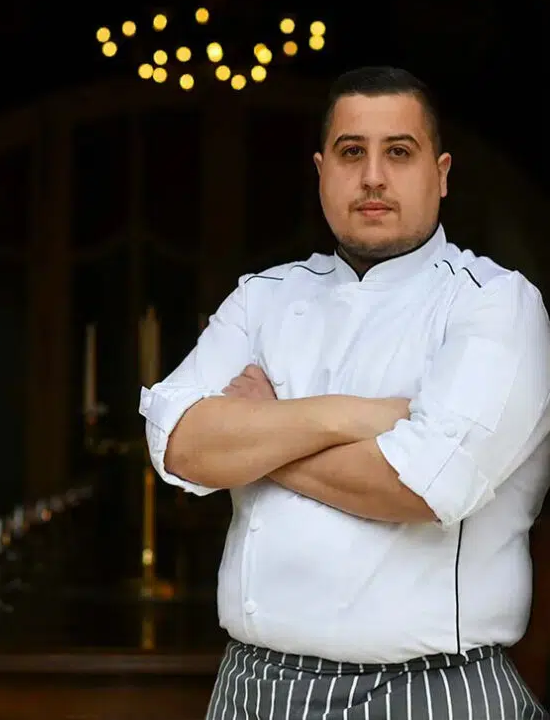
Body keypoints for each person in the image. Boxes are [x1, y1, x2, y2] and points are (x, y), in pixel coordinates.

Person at [139, 66, 550, 719]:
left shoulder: (494, 303)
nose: (373, 177)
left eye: (399, 152)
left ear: (441, 173)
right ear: (321, 171)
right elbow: (180, 444)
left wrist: (261, 436)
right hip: (253, 685)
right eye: (351, 152)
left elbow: (422, 486)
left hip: (430, 688)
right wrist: (350, 417)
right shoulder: (263, 298)